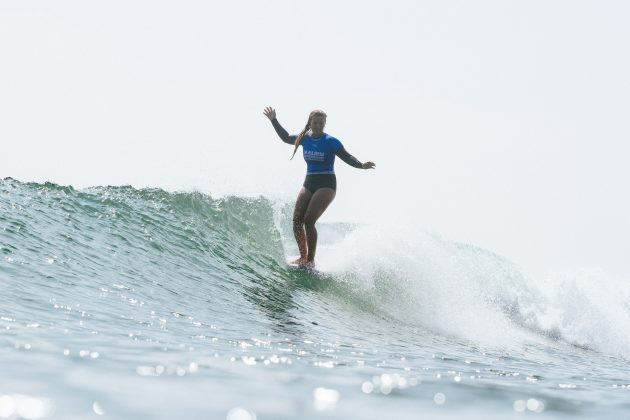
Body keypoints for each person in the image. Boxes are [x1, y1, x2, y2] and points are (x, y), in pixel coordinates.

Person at [263, 106, 375, 268]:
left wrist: (361, 165)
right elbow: (286, 137)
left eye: (321, 123)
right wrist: (274, 120)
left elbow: (347, 157)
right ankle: (303, 257)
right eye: (315, 123)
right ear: (310, 123)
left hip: (326, 184)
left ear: (324, 124)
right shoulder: (304, 139)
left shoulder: (331, 142)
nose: (318, 126)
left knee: (309, 221)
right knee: (296, 220)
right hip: (309, 182)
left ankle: (310, 260)